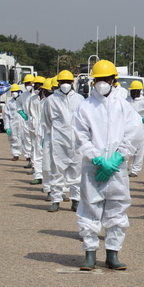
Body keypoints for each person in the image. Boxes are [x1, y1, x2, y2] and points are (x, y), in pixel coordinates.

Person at [73, 60, 143, 271]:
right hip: (92, 166)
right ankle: (90, 254)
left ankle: (113, 254)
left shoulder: (124, 107)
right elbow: (80, 136)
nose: (102, 83)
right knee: (89, 208)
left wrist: (117, 159)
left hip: (117, 167)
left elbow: (134, 133)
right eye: (99, 80)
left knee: (117, 209)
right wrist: (96, 158)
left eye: (106, 79)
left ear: (114, 81)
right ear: (93, 81)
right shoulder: (85, 107)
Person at [43, 70, 85, 212]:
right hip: (58, 140)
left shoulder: (79, 99)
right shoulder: (51, 100)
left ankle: (76, 200)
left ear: (72, 83)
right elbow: (47, 121)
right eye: (62, 82)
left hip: (76, 141)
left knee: (76, 172)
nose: (65, 85)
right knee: (57, 171)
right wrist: (57, 132)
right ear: (58, 83)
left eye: (68, 82)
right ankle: (56, 200)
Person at [126, 80, 144, 178]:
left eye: (134, 91)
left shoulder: (143, 103)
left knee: (139, 150)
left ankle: (135, 170)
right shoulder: (127, 101)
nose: (132, 93)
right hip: (127, 128)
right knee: (125, 146)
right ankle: (124, 166)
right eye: (131, 91)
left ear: (138, 91)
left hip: (140, 129)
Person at [26, 76, 47, 185]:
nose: (37, 86)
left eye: (39, 84)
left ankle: (47, 177)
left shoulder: (48, 100)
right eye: (36, 84)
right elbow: (30, 112)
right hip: (35, 128)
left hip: (46, 129)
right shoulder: (32, 99)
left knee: (47, 154)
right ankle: (38, 175)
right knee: (37, 152)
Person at [2, 84, 24, 161]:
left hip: (23, 123)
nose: (14, 93)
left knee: (26, 139)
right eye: (12, 91)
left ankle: (28, 155)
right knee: (14, 138)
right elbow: (5, 115)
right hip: (13, 123)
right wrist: (7, 126)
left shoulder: (23, 101)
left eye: (15, 91)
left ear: (19, 91)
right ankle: (16, 154)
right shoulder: (9, 103)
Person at [17, 74, 35, 164]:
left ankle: (34, 160)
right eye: (26, 84)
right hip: (27, 120)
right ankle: (29, 158)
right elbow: (18, 104)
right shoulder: (23, 95)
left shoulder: (37, 94)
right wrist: (21, 112)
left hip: (35, 120)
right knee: (27, 140)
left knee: (35, 142)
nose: (27, 85)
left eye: (29, 83)